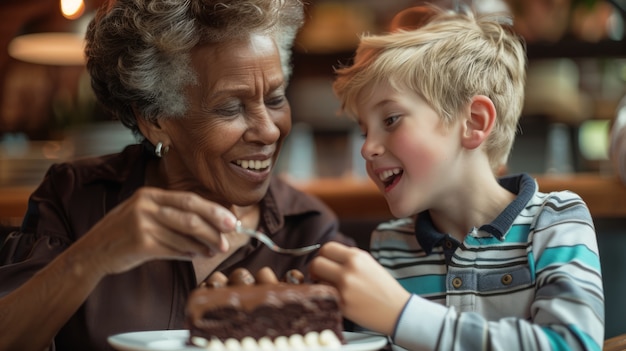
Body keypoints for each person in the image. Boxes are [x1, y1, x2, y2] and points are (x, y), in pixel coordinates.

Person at [0, 0, 353, 349]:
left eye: (275, 99)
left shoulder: (308, 230)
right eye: (230, 108)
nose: (269, 131)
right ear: (155, 120)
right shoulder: (75, 199)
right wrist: (93, 256)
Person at [309, 5, 604, 351]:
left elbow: (574, 344)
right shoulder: (389, 247)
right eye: (364, 133)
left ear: (474, 122)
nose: (368, 149)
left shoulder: (555, 220)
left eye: (390, 120)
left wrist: (403, 315)